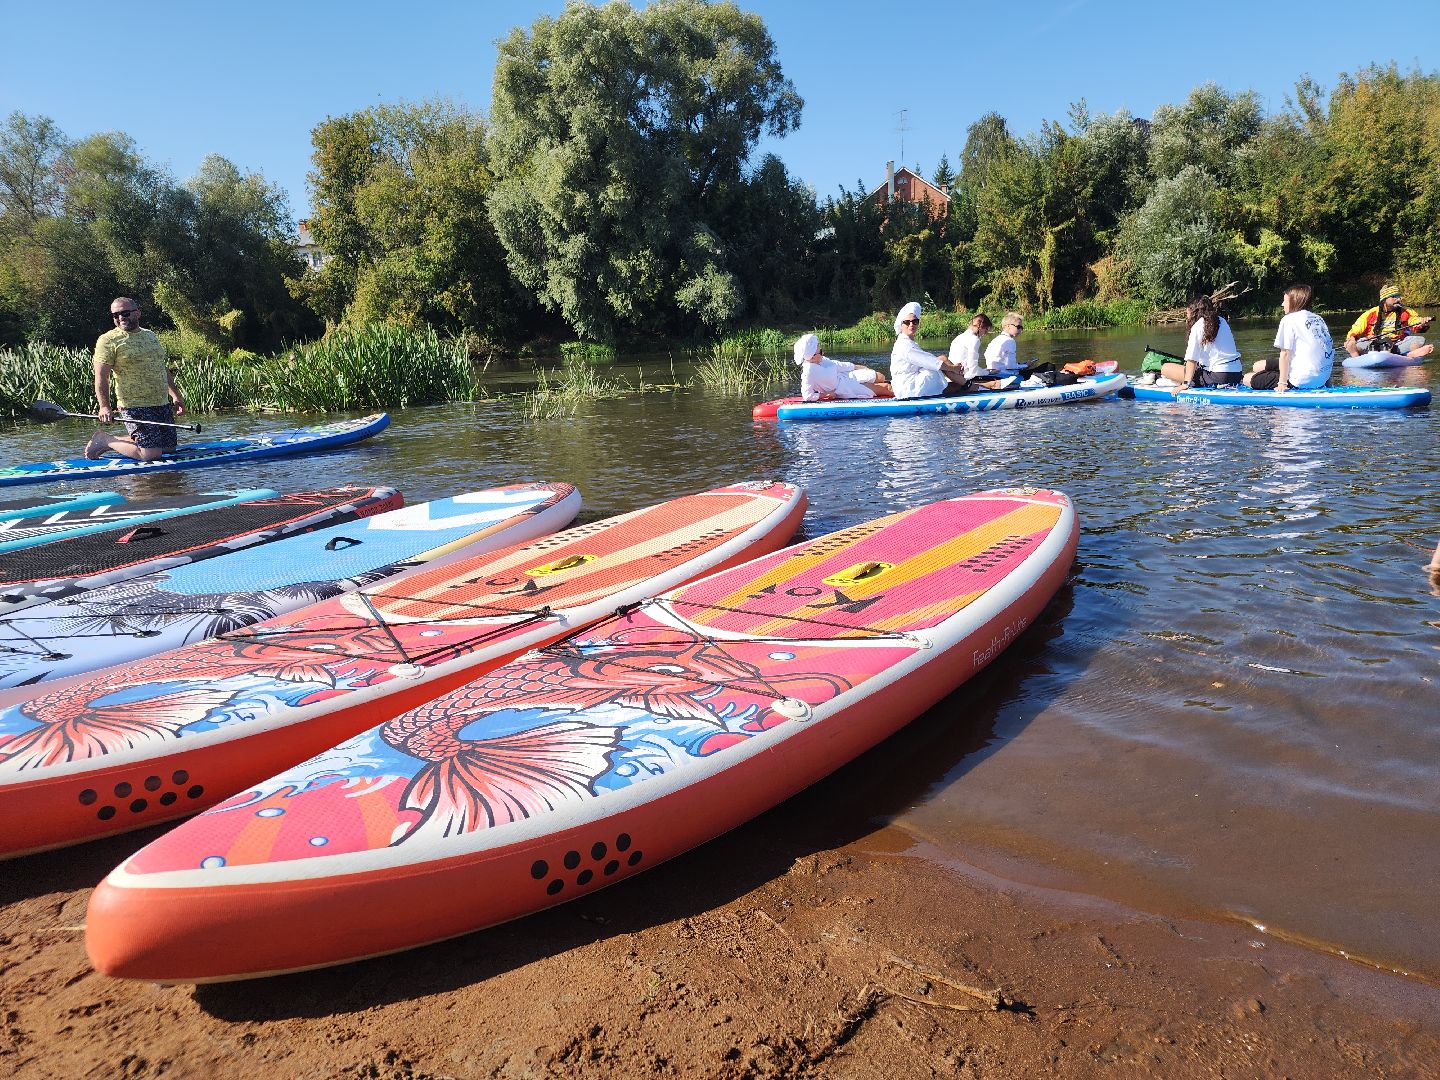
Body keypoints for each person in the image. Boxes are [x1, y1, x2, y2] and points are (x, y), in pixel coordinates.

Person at [85, 298, 185, 461]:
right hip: (134, 405)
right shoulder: (108, 340)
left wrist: (175, 396)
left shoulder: (150, 336)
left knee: (168, 447)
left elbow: (161, 367)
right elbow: (101, 377)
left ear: (138, 312)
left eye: (125, 313)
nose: (121, 317)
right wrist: (104, 406)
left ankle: (123, 441)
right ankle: (105, 440)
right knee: (150, 454)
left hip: (160, 402)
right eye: (115, 315)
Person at [1244, 284, 1334, 392]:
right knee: (1257, 366)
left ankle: (1282, 381)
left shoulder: (1289, 319)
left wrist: (1282, 383)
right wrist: (1327, 382)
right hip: (1321, 378)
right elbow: (1326, 349)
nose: (1282, 304)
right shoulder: (1318, 319)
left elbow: (1285, 354)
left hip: (1302, 380)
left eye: (1285, 301)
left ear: (1295, 301)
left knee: (1246, 378)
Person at [889, 302, 969, 399]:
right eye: (907, 322)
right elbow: (930, 362)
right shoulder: (904, 345)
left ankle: (964, 384)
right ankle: (969, 385)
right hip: (909, 388)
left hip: (911, 383)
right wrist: (953, 368)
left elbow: (927, 360)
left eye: (915, 322)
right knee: (942, 360)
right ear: (901, 325)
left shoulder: (908, 342)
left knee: (945, 365)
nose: (911, 325)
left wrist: (951, 368)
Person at [1161, 295, 1242, 387]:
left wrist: (1186, 384)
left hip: (1217, 376)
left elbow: (1191, 360)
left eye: (1187, 314)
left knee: (1165, 368)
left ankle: (1176, 383)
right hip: (1237, 374)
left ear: (1193, 312)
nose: (1187, 318)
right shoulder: (1222, 321)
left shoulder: (1197, 326)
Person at [1344, 284, 1433, 360]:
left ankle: (1411, 356)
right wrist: (1351, 338)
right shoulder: (1370, 313)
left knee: (1419, 339)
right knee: (1356, 343)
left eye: (1398, 296)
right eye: (1394, 297)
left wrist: (1422, 324)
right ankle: (1355, 356)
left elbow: (1415, 323)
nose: (1398, 299)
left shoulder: (1406, 311)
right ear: (1384, 300)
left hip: (1397, 344)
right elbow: (1356, 329)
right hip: (1372, 344)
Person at [794, 333, 893, 401]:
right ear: (812, 356)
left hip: (847, 376)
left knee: (881, 376)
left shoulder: (822, 360)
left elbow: (840, 365)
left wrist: (861, 367)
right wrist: (825, 395)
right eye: (820, 352)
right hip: (846, 388)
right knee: (887, 388)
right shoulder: (809, 371)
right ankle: (905, 396)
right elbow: (807, 395)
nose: (822, 353)